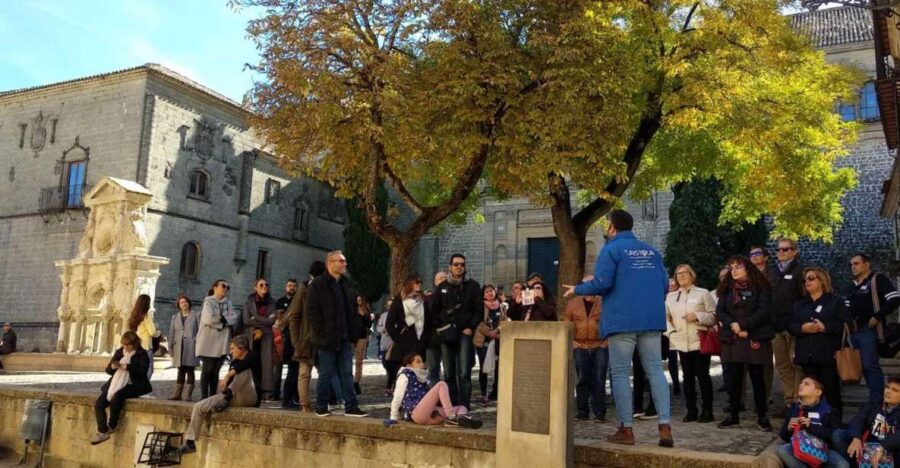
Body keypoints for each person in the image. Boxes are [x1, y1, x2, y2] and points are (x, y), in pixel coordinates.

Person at [563, 209, 672, 448]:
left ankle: (626, 429)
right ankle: (665, 426)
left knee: (621, 373)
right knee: (655, 370)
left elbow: (602, 284)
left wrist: (577, 290)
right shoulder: (652, 252)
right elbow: (665, 285)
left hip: (622, 321)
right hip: (651, 320)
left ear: (612, 227)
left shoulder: (611, 249)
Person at [716, 256, 775, 432]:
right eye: (731, 267)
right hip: (733, 337)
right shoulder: (726, 288)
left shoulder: (761, 287)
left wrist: (744, 326)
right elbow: (720, 311)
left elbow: (764, 311)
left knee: (758, 378)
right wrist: (733, 325)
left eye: (738, 267)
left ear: (748, 268)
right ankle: (733, 415)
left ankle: (762, 416)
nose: (733, 270)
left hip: (754, 335)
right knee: (733, 379)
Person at [307, 250, 368, 417]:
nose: (344, 264)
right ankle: (321, 405)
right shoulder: (318, 285)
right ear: (330, 263)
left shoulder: (347, 284)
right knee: (326, 373)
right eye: (340, 261)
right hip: (326, 338)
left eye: (344, 261)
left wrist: (353, 332)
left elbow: (352, 310)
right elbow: (312, 312)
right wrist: (320, 333)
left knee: (347, 373)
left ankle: (351, 405)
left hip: (345, 337)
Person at [179, 335, 260, 455]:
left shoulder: (253, 357)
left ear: (242, 348)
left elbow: (246, 365)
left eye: (233, 348)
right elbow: (232, 380)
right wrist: (224, 387)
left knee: (244, 371)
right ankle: (190, 442)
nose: (230, 351)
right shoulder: (234, 361)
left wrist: (228, 375)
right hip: (232, 396)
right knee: (199, 406)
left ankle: (227, 397)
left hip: (250, 396)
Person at [789, 267, 850, 423]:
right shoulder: (800, 304)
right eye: (805, 279)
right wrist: (802, 328)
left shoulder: (835, 301)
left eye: (811, 278)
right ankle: (812, 425)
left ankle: (834, 427)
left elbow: (846, 325)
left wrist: (825, 327)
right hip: (806, 357)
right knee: (809, 394)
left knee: (831, 393)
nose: (807, 281)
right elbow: (790, 325)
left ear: (822, 280)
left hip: (827, 355)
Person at [665, 264, 717, 423]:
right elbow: (665, 319)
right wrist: (672, 333)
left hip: (699, 340)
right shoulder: (671, 297)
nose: (680, 276)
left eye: (684, 273)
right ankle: (691, 410)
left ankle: (707, 410)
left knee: (703, 376)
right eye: (678, 274)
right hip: (681, 342)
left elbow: (714, 316)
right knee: (687, 377)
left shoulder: (703, 293)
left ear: (691, 275)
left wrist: (698, 316)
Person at [431, 254, 482, 410]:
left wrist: (471, 327)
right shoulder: (442, 287)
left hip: (464, 333)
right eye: (456, 264)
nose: (459, 267)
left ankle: (464, 405)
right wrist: (441, 328)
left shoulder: (472, 286)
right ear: (450, 267)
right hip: (447, 334)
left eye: (462, 264)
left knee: (464, 372)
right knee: (449, 372)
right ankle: (452, 405)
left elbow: (478, 310)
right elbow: (435, 310)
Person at [848, 253, 900, 400]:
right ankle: (874, 399)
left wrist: (877, 317)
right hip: (854, 331)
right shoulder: (852, 285)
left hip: (868, 330)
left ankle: (877, 401)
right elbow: (847, 306)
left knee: (871, 365)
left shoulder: (878, 279)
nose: (853, 267)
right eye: (851, 264)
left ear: (867, 264)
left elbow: (895, 299)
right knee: (863, 367)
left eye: (856, 263)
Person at [387, 353, 482, 428]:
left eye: (422, 361)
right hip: (417, 413)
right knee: (441, 384)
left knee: (461, 408)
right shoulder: (405, 375)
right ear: (409, 365)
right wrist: (393, 417)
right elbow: (397, 397)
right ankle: (452, 418)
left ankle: (460, 419)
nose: (422, 364)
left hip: (431, 414)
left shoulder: (423, 378)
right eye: (418, 362)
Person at [91, 331, 152, 445]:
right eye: (124, 345)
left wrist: (127, 367)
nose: (125, 347)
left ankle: (112, 425)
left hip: (133, 383)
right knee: (99, 403)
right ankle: (102, 431)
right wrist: (113, 367)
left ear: (134, 344)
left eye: (127, 345)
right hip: (115, 382)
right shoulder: (120, 352)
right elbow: (108, 370)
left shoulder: (141, 354)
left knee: (117, 397)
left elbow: (142, 372)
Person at [562, 276, 607, 422]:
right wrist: (572, 342)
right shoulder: (572, 303)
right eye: (585, 284)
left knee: (599, 379)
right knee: (582, 378)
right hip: (580, 346)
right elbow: (567, 323)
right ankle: (582, 410)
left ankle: (599, 412)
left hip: (599, 345)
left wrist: (606, 342)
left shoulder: (604, 302)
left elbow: (610, 322)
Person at [769, 238, 805, 418]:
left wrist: (796, 322)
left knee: (796, 363)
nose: (781, 253)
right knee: (782, 365)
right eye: (778, 250)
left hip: (792, 326)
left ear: (795, 251)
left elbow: (803, 298)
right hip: (776, 327)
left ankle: (800, 401)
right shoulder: (774, 272)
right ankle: (789, 400)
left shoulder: (800, 271)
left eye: (786, 249)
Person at [776, 377, 847, 468]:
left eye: (806, 384)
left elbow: (832, 434)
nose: (801, 385)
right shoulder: (794, 409)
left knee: (843, 465)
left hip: (824, 450)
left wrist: (811, 426)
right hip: (800, 448)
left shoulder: (828, 411)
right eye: (801, 383)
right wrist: (788, 428)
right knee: (783, 450)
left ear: (818, 392)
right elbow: (784, 436)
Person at [832, 376, 900, 466]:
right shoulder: (876, 401)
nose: (888, 391)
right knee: (838, 435)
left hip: (891, 449)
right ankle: (853, 465)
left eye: (895, 390)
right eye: (887, 387)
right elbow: (859, 418)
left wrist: (883, 447)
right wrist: (856, 438)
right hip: (867, 445)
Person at [287, 261, 326, 413]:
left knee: (325, 372)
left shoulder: (324, 289)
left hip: (321, 339)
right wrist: (296, 340)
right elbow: (294, 316)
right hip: (306, 339)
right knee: (304, 373)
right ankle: (305, 404)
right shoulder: (304, 290)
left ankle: (322, 403)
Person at [386, 275, 430, 388]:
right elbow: (389, 324)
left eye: (420, 282)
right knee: (403, 379)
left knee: (420, 378)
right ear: (410, 284)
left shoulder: (423, 300)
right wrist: (399, 339)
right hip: (403, 346)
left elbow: (428, 322)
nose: (419, 284)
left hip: (420, 343)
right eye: (416, 282)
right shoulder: (399, 300)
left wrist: (425, 339)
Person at [195, 279, 233, 400]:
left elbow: (234, 318)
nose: (225, 288)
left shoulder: (228, 303)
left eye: (227, 287)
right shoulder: (208, 302)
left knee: (216, 370)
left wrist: (224, 319)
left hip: (222, 341)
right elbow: (208, 318)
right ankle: (204, 395)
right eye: (223, 286)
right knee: (208, 368)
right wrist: (223, 321)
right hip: (209, 341)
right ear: (215, 287)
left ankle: (212, 394)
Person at [243, 278, 276, 405]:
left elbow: (271, 321)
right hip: (251, 336)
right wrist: (264, 320)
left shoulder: (272, 302)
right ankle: (251, 389)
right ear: (255, 287)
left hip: (266, 336)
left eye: (266, 284)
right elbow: (246, 320)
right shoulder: (248, 301)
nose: (264, 287)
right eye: (261, 285)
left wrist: (255, 317)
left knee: (266, 364)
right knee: (252, 362)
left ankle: (267, 392)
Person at [474, 284, 507, 404]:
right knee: (484, 367)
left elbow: (505, 320)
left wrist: (497, 331)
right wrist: (490, 333)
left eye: (491, 291)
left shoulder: (503, 306)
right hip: (483, 340)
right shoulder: (480, 306)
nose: (489, 293)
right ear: (483, 295)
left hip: (498, 339)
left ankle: (496, 391)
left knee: (499, 367)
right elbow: (479, 322)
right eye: (486, 292)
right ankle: (484, 394)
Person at [168, 294, 200, 401]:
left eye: (185, 302)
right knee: (180, 370)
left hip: (191, 346)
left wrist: (196, 341)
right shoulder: (175, 317)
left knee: (190, 370)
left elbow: (200, 331)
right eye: (181, 302)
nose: (184, 304)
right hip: (178, 346)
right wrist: (170, 347)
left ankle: (188, 395)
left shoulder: (195, 315)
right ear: (179, 305)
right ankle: (177, 394)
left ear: (189, 303)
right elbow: (171, 333)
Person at [275, 278, 299, 409]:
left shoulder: (296, 301)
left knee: (296, 371)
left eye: (294, 286)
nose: (292, 288)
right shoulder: (281, 302)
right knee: (292, 371)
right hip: (289, 341)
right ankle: (287, 398)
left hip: (293, 340)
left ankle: (294, 397)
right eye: (290, 285)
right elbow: (280, 320)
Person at [126, 294, 160, 379]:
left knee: (136, 368)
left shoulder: (134, 315)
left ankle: (134, 386)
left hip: (135, 345)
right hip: (145, 346)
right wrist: (159, 333)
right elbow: (152, 332)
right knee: (148, 369)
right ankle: (142, 388)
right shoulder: (146, 315)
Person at [424, 271, 447, 388]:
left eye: (444, 278)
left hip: (448, 338)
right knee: (432, 370)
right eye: (440, 278)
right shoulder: (428, 299)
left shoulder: (453, 297)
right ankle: (433, 397)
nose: (442, 280)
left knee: (449, 371)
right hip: (432, 339)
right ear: (435, 282)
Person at [354, 295, 374, 396]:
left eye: (360, 300)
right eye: (357, 300)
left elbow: (369, 324)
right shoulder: (351, 309)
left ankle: (356, 381)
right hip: (351, 336)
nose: (359, 302)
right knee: (347, 361)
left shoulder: (365, 310)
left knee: (359, 360)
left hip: (361, 336)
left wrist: (363, 315)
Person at [377, 299, 398, 396]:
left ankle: (391, 387)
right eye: (389, 305)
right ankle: (391, 386)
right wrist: (383, 330)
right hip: (384, 344)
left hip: (394, 344)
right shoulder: (384, 315)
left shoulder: (399, 315)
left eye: (392, 305)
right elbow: (378, 327)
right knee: (387, 366)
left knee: (393, 367)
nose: (390, 307)